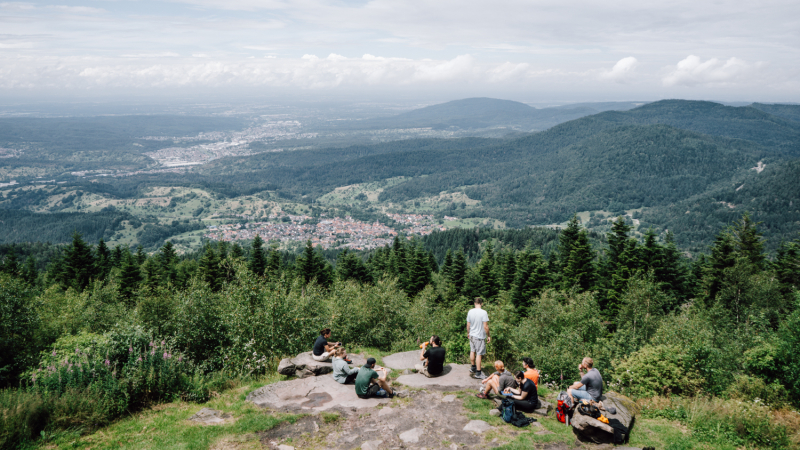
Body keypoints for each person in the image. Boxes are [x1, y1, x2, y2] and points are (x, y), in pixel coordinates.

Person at [466, 297, 490, 379]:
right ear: (481, 303)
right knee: (479, 354)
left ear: (474, 303)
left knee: (472, 351)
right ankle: (478, 373)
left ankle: (473, 367)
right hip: (479, 336)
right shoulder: (484, 312)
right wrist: (489, 335)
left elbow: (468, 325)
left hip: (472, 335)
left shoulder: (470, 311)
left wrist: (468, 333)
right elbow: (485, 326)